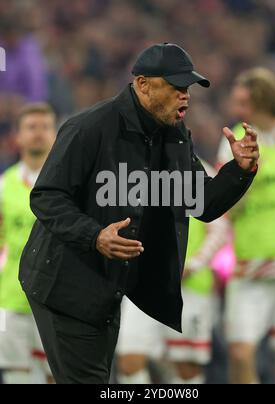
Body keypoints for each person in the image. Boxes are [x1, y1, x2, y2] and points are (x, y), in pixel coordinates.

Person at [19, 43, 259, 384]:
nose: (185, 97)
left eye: (187, 88)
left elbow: (200, 203)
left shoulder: (174, 136)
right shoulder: (88, 128)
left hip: (110, 285)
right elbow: (47, 197)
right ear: (143, 84)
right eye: (175, 87)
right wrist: (95, 235)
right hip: (63, 282)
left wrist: (239, 171)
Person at [218, 67, 275, 384]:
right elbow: (224, 204)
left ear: (263, 101)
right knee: (239, 352)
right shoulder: (235, 141)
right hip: (248, 263)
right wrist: (242, 178)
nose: (238, 111)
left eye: (243, 103)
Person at [117, 162, 230, 385]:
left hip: (188, 287)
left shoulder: (196, 169)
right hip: (143, 284)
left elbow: (219, 228)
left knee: (186, 366)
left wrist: (193, 264)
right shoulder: (132, 168)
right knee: (129, 360)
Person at [0, 103, 56, 384]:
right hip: (10, 300)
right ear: (18, 137)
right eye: (31, 127)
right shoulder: (3, 185)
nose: (38, 134)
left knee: (56, 375)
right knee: (16, 376)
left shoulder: (69, 184)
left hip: (56, 299)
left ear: (55, 135)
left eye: (45, 127)